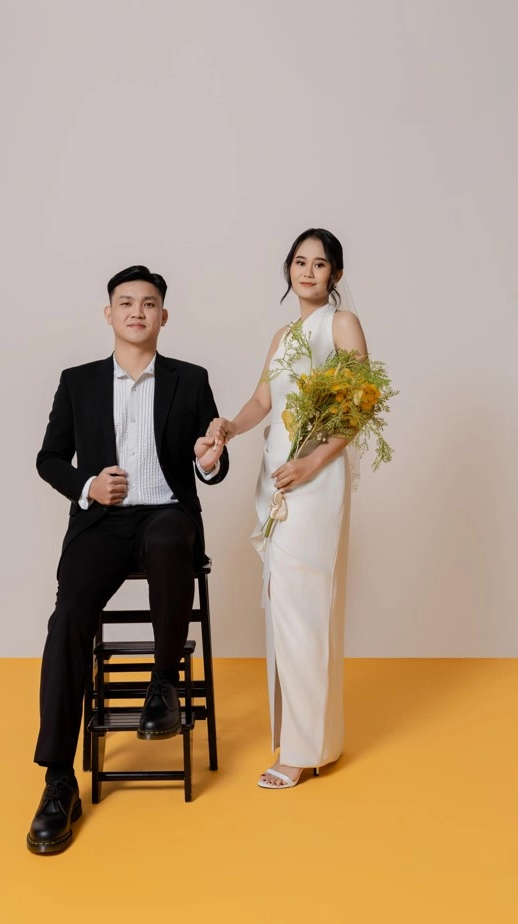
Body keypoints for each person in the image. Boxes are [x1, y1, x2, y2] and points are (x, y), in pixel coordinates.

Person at [27, 265, 228, 853]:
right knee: (68, 618)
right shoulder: (78, 382)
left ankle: (163, 683)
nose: (137, 311)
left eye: (148, 303)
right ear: (109, 313)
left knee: (167, 541)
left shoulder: (191, 380)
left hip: (166, 513)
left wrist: (208, 459)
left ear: (164, 315)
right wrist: (88, 485)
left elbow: (212, 464)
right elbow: (48, 458)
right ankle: (58, 780)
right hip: (101, 523)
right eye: (126, 302)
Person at [208, 229, 366, 789]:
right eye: (300, 262)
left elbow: (357, 406)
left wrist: (312, 464)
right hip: (278, 472)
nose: (308, 271)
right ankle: (307, 740)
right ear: (289, 269)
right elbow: (263, 400)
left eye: (320, 264)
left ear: (335, 275)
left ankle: (304, 750)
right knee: (285, 606)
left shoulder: (341, 324)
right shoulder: (282, 334)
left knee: (307, 605)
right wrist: (229, 426)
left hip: (314, 478)